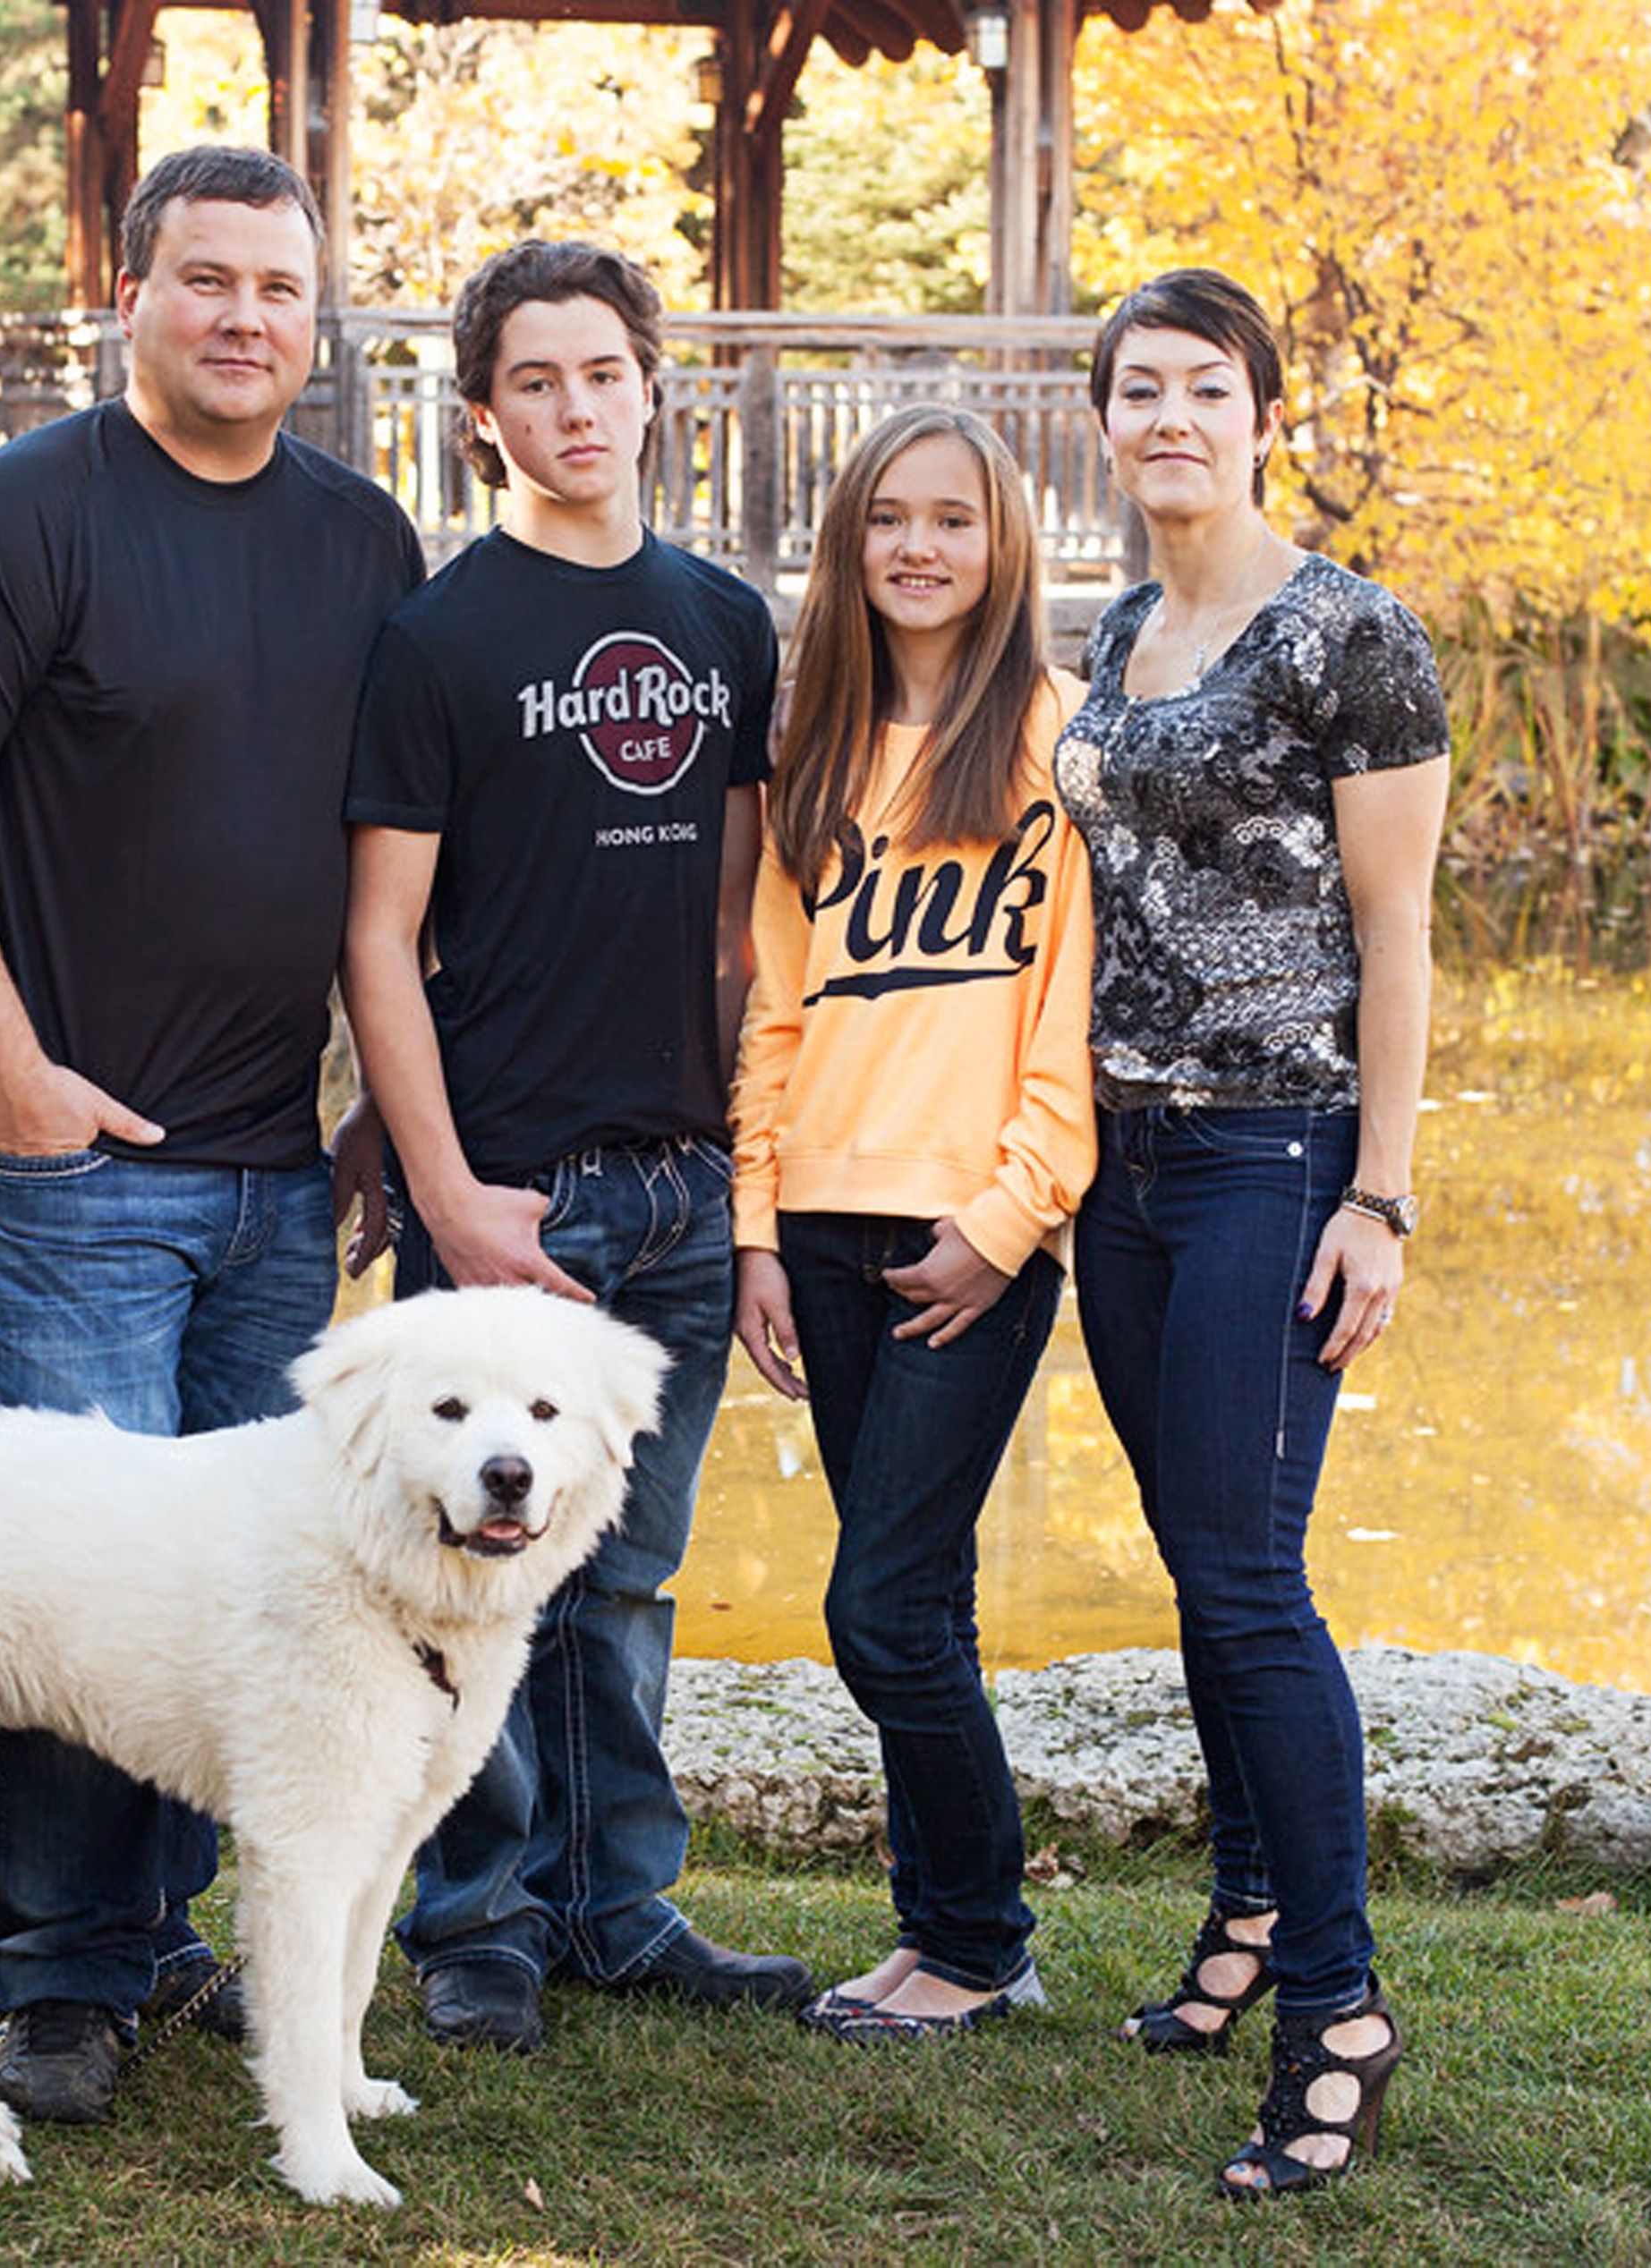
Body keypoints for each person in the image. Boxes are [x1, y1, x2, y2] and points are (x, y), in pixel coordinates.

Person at [0, 144, 426, 2128]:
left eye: (279, 286)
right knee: (71, 1586)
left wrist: (371, 1111)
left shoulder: (364, 541)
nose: (245, 316)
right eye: (206, 280)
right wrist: (10, 1077)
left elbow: (379, 866)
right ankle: (63, 1983)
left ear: (316, 317)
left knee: (244, 1591)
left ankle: (162, 1930)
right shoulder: (18, 520)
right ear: (130, 293)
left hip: (277, 1166)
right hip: (69, 1167)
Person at [337, 237, 809, 2055]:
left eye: (600, 372)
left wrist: (746, 1190)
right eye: (533, 381)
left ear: (647, 389)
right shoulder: (438, 639)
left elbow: (740, 931)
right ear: (483, 418)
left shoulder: (720, 622)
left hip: (680, 1188)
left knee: (623, 1575)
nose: (573, 407)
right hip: (510, 1185)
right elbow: (380, 937)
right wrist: (447, 1193)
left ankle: (620, 1903)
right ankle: (477, 1923)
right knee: (460, 1577)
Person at [1055, 268, 1450, 2194]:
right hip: (1123, 1172)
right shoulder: (1120, 624)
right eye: (1138, 391)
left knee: (1244, 1578)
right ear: (1109, 422)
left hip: (1273, 1155)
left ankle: (1340, 2011)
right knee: (1202, 1555)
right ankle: (1244, 1918)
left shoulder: (1348, 635)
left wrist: (1379, 1190)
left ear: (1261, 412)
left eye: (1204, 388)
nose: (1170, 420)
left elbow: (1397, 933)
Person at [724, 406, 1095, 2043]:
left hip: (970, 1238)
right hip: (821, 1223)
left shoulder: (1064, 750)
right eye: (890, 518)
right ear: (851, 546)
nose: (921, 547)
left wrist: (1010, 1224)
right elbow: (780, 1017)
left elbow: (1074, 1025)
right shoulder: (817, 753)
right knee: (914, 1597)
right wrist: (754, 1229)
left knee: (878, 1607)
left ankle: (980, 1933)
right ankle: (945, 1936)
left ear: (1003, 544)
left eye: (954, 518)